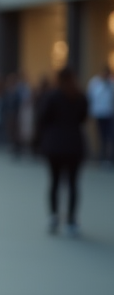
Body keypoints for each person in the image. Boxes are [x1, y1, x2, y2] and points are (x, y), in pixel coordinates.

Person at [37, 67, 89, 236]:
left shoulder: (52, 96)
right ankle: (71, 220)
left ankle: (53, 216)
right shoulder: (80, 96)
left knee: (54, 182)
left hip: (55, 145)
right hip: (74, 144)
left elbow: (43, 118)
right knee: (73, 183)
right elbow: (83, 117)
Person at [87, 65, 113, 165]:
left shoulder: (111, 83)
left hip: (109, 113)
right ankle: (101, 157)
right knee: (101, 136)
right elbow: (91, 96)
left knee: (109, 136)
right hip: (99, 113)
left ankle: (109, 157)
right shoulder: (95, 82)